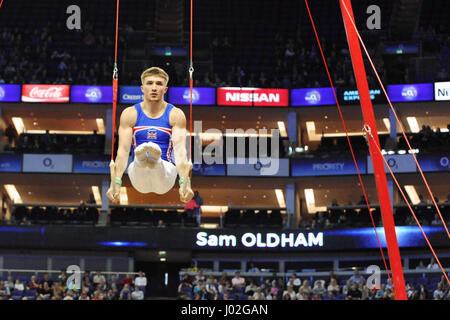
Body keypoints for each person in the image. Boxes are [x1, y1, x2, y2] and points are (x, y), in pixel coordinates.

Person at [107, 67, 194, 204]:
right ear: (142, 88)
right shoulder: (130, 114)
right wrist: (116, 181)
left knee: (156, 165)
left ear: (165, 89)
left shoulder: (175, 115)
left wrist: (185, 182)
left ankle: (153, 158)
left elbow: (180, 152)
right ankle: (144, 158)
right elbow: (123, 152)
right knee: (138, 165)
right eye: (149, 83)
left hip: (166, 170)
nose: (154, 88)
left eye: (159, 84)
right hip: (139, 176)